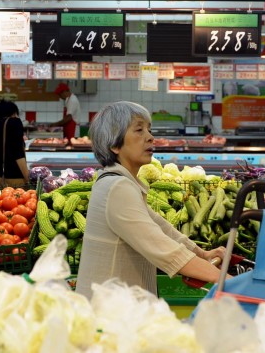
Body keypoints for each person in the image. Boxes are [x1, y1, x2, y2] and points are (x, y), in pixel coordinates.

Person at [75, 100, 226, 299]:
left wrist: (202, 254)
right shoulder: (117, 187)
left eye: (149, 129)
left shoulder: (120, 182)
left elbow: (161, 228)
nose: (150, 137)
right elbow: (165, 249)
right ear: (114, 144)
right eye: (139, 130)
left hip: (116, 309)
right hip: (110, 315)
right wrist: (227, 281)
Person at [0, 100, 28, 188]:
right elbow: (18, 153)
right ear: (14, 112)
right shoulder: (15, 122)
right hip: (15, 179)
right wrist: (27, 178)